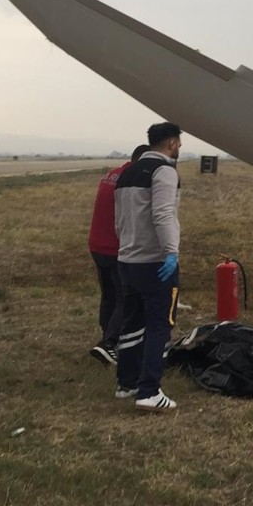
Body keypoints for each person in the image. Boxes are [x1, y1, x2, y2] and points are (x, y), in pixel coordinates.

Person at [114, 122, 183, 412]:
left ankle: (126, 383)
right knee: (159, 326)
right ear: (172, 143)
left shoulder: (127, 172)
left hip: (127, 260)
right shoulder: (165, 171)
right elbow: (164, 213)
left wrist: (126, 246)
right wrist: (171, 252)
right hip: (155, 262)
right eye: (178, 142)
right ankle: (149, 391)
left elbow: (120, 219)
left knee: (131, 322)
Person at [87, 144, 149, 366]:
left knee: (109, 295)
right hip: (116, 247)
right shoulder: (132, 180)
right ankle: (109, 343)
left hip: (97, 244)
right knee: (127, 296)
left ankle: (106, 338)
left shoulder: (111, 175)